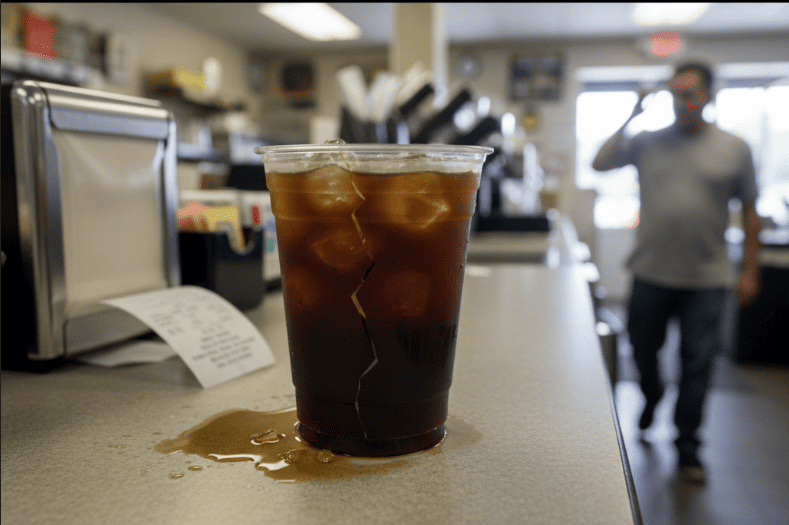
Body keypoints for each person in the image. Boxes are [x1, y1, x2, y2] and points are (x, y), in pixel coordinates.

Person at [592, 62, 761, 484]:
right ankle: (651, 396)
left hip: (707, 278)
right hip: (650, 272)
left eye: (690, 94)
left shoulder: (735, 147)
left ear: (708, 95)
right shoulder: (648, 141)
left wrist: (750, 271)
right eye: (676, 94)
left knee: (698, 363)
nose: (682, 102)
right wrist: (632, 114)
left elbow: (751, 212)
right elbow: (599, 162)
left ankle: (688, 447)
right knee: (642, 350)